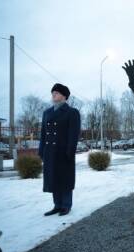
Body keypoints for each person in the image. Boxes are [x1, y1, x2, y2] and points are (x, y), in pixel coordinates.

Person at [38, 83, 81, 216]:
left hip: (64, 152)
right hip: (50, 152)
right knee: (53, 178)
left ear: (64, 96)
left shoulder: (72, 112)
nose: (53, 95)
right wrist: (41, 150)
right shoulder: (47, 113)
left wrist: (70, 152)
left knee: (65, 178)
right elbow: (43, 133)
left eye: (56, 93)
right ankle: (57, 205)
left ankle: (66, 205)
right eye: (53, 93)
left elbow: (73, 134)